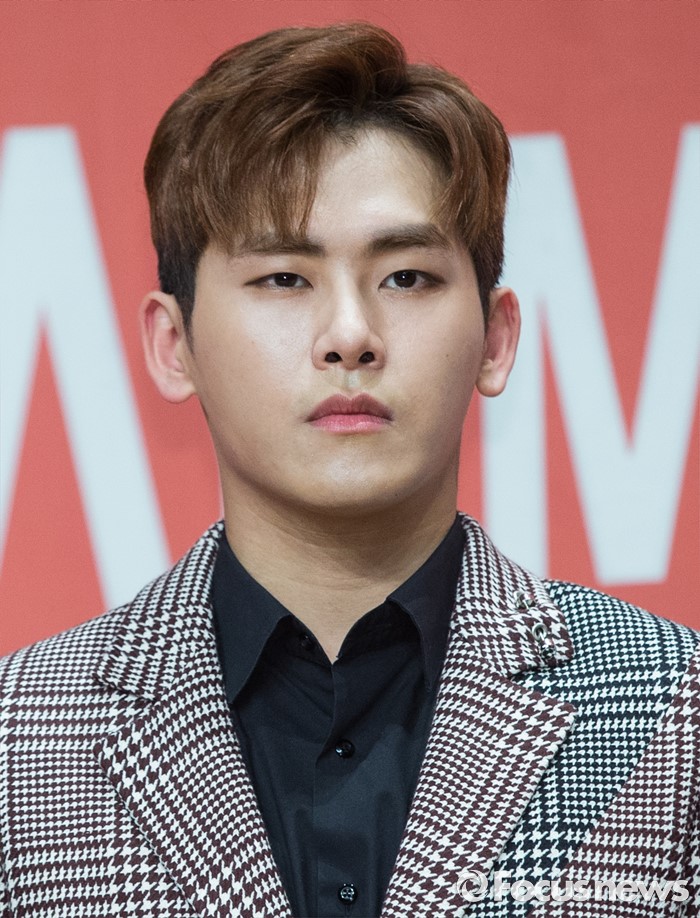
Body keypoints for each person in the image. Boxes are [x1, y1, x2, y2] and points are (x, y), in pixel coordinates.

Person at [0, 22, 698, 918]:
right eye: (284, 279)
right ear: (175, 346)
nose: (350, 334)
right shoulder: (22, 740)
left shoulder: (672, 712)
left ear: (495, 340)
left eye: (406, 277)